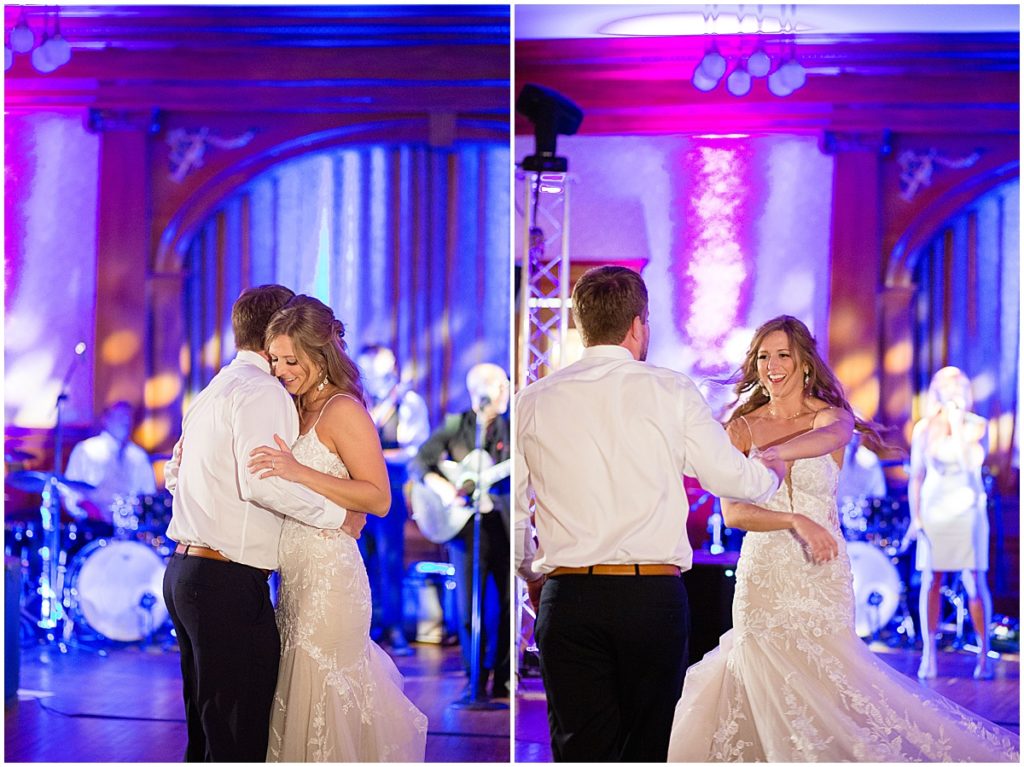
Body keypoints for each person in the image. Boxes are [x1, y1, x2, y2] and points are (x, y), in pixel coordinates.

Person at [667, 316, 1019, 762]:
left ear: (805, 364)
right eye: (763, 357)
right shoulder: (740, 428)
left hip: (821, 572)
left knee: (830, 678)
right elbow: (733, 512)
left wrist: (772, 456)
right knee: (757, 664)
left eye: (783, 355)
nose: (773, 366)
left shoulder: (832, 418)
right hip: (764, 576)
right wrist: (792, 519)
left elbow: (827, 438)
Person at [514, 265, 786, 763]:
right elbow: (729, 478)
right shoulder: (671, 390)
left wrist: (531, 571)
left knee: (579, 748)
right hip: (650, 597)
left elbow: (515, 509)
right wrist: (772, 471)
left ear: (580, 325)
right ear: (639, 325)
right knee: (649, 746)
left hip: (569, 594)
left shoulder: (532, 399)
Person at [162, 285, 365, 763]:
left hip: (187, 572)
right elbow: (263, 484)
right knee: (238, 732)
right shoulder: (261, 391)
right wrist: (338, 517)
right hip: (223, 579)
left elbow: (175, 474)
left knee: (208, 730)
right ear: (278, 331)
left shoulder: (214, 390)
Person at [247, 295, 427, 762]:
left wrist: (297, 470)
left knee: (326, 701)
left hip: (330, 580)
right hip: (294, 581)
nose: (282, 369)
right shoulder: (294, 407)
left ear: (321, 354)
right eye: (275, 360)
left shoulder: (342, 409)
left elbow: (379, 498)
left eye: (292, 360)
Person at [410, 362, 511, 699]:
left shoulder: (512, 430)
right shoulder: (456, 425)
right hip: (466, 528)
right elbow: (420, 462)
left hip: (504, 525)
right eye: (502, 386)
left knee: (507, 604)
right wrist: (444, 488)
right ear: (487, 392)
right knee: (469, 604)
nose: (508, 391)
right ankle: (475, 677)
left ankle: (502, 677)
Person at [904, 366, 994, 680]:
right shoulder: (924, 428)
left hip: (967, 508)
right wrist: (916, 517)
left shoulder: (976, 425)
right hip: (934, 508)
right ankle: (929, 653)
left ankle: (984, 653)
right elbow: (916, 476)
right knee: (931, 579)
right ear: (937, 390)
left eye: (958, 384)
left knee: (974, 581)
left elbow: (972, 463)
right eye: (946, 383)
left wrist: (957, 425)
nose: (952, 389)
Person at [355, 344, 431, 656]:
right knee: (359, 561)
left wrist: (372, 455)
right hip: (355, 492)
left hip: (390, 490)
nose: (372, 376)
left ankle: (395, 628)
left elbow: (415, 451)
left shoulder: (408, 401)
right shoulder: (357, 401)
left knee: (390, 562)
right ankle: (365, 627)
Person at [64, 401, 157, 527]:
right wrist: (92, 513)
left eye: (128, 418)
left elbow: (149, 495)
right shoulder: (86, 450)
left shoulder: (139, 456)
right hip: (93, 525)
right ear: (106, 419)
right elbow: (70, 491)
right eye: (120, 417)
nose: (125, 422)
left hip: (132, 528)